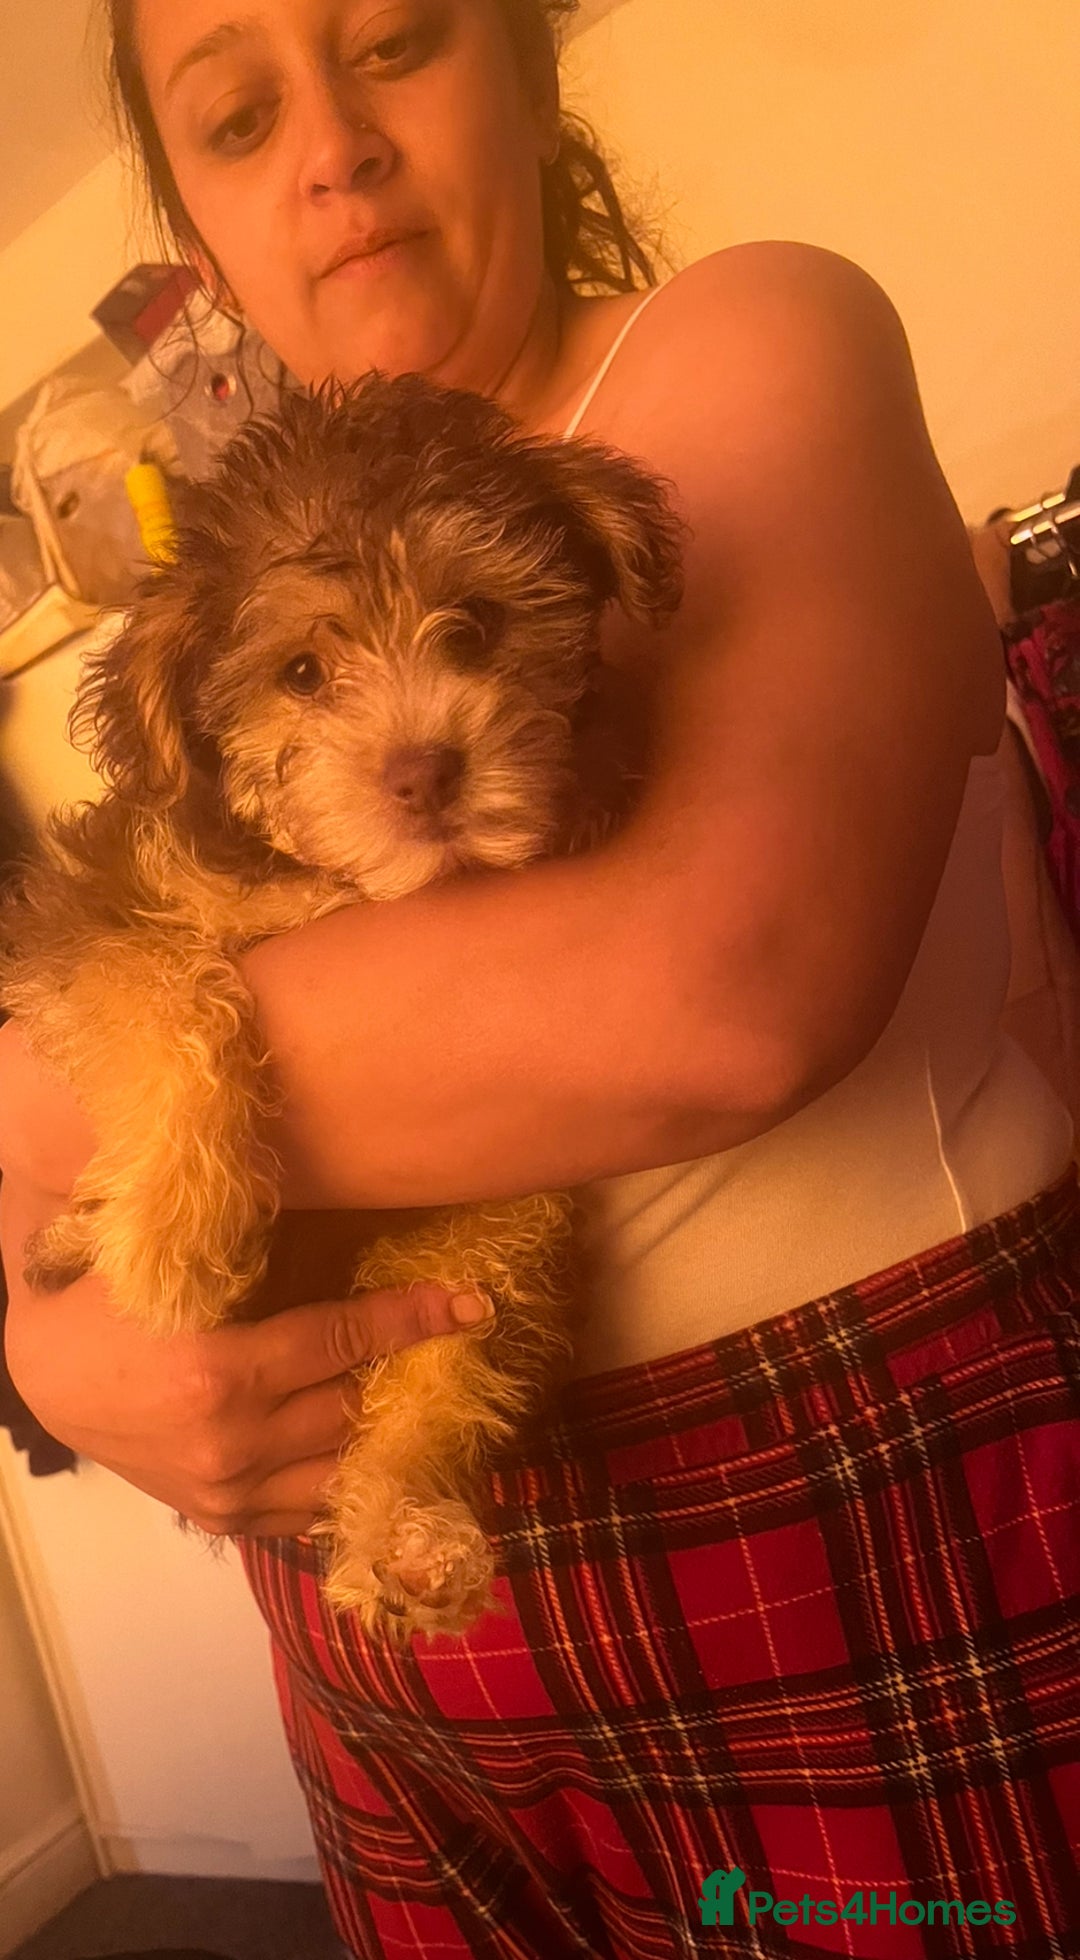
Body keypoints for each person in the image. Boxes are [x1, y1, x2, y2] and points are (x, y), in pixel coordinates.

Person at [1, 2, 1078, 1954]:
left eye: (395, 39)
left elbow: (719, 999)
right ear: (195, 233)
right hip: (384, 1619)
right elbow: (82, 1081)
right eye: (236, 118)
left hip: (849, 1495)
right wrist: (51, 1348)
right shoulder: (222, 600)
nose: (329, 147)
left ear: (526, 59)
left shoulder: (748, 343)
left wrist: (49, 1101)